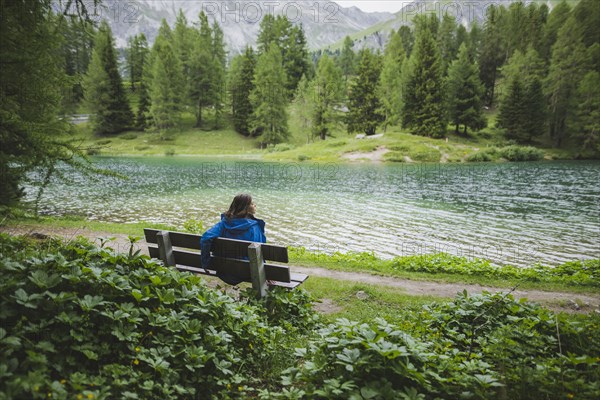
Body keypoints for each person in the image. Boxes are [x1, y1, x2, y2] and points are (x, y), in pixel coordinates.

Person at [200, 193, 266, 285]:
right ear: (245, 208)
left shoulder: (224, 223)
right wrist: (267, 273)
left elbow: (205, 238)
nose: (255, 205)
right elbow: (259, 252)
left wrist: (206, 262)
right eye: (252, 203)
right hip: (247, 272)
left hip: (224, 270)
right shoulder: (255, 227)